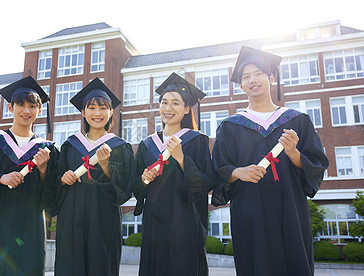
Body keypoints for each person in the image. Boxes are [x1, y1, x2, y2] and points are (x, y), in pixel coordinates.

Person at [211, 46, 329, 276]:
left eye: (258, 74)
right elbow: (217, 168)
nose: (252, 80)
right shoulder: (231, 126)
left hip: (290, 210)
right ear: (241, 85)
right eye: (246, 77)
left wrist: (294, 153)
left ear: (271, 78)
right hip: (250, 212)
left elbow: (317, 166)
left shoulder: (298, 121)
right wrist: (237, 172)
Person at [0, 76, 59, 276]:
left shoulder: (47, 150)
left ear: (39, 111)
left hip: (29, 228)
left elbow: (52, 196)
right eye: (21, 105)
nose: (26, 111)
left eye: (32, 106)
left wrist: (43, 171)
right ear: (10, 108)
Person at [47, 77, 135, 276]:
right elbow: (54, 184)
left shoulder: (120, 147)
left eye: (103, 108)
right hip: (71, 221)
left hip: (102, 222)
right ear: (83, 112)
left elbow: (123, 191)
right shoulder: (70, 145)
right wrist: (62, 179)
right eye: (92, 108)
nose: (97, 113)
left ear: (111, 112)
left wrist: (105, 166)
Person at [133, 73, 217, 276]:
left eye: (175, 103)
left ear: (187, 109)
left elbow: (207, 184)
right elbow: (136, 189)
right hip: (155, 225)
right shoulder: (147, 145)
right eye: (164, 102)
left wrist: (181, 159)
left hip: (186, 224)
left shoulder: (196, 141)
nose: (168, 108)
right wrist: (144, 179)